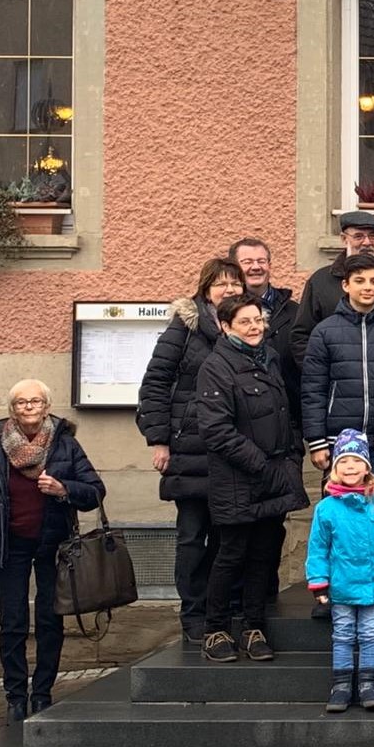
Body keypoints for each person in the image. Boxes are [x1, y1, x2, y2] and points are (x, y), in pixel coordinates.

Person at [0, 379, 105, 723]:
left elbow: (95, 491)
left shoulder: (65, 444)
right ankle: (15, 697)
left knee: (49, 620)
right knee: (12, 622)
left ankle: (42, 693)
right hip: (10, 546)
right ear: (12, 410)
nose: (28, 407)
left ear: (47, 407)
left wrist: (63, 488)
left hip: (53, 546)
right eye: (21, 402)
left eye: (35, 401)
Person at [137, 257, 245, 644]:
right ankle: (193, 614)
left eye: (235, 283)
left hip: (230, 453)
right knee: (192, 538)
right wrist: (159, 439)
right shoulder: (184, 328)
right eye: (221, 283)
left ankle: (220, 613)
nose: (229, 289)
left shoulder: (246, 327)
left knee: (225, 539)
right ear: (205, 290)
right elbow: (154, 384)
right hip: (189, 450)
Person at [197, 294, 310, 663]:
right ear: (225, 326)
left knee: (264, 554)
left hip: (274, 476)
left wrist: (292, 456)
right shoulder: (216, 366)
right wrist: (261, 464)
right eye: (245, 322)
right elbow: (216, 430)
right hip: (238, 480)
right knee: (231, 555)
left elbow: (285, 413)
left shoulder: (269, 358)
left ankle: (253, 627)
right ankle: (215, 630)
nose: (254, 327)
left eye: (258, 320)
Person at [306, 429, 374, 712]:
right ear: (334, 469)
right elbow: (318, 548)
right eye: (343, 462)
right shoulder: (326, 508)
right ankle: (341, 685)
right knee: (343, 633)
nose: (350, 467)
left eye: (356, 461)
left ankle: (368, 683)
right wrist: (318, 581)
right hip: (342, 584)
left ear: (367, 467)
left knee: (370, 632)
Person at [301, 255, 374, 479]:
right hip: (339, 442)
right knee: (340, 500)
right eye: (359, 281)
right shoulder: (324, 332)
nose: (367, 287)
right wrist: (316, 440)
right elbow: (313, 389)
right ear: (345, 285)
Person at [291, 210, 374, 365]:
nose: (367, 242)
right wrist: (319, 372)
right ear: (343, 239)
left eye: (373, 236)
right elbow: (302, 336)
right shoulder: (321, 281)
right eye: (358, 236)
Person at [230, 238, 301, 422]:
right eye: (247, 262)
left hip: (289, 418)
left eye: (261, 261)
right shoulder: (223, 313)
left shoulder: (295, 312)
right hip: (239, 419)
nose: (256, 267)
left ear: (270, 265)